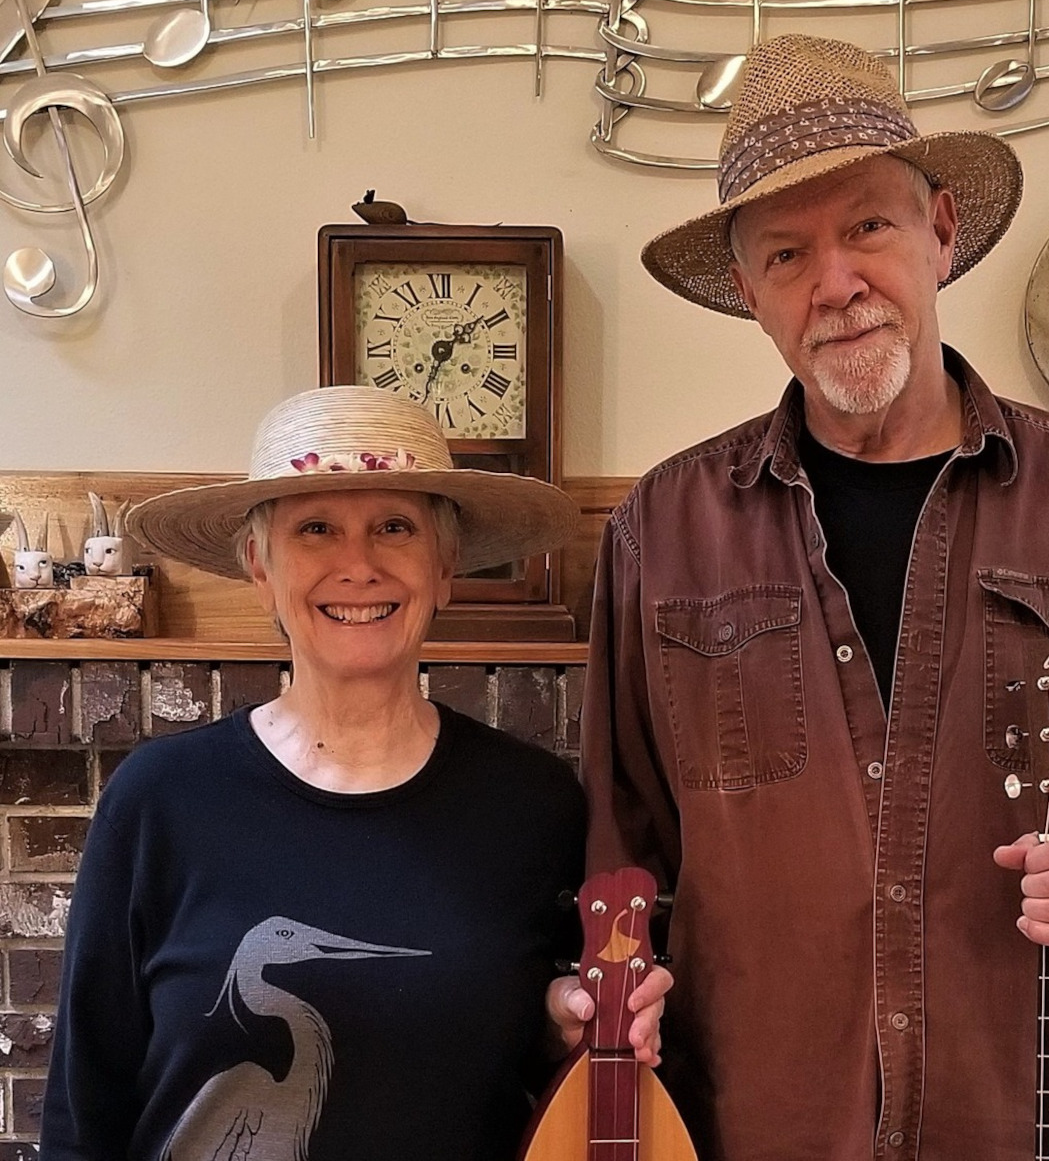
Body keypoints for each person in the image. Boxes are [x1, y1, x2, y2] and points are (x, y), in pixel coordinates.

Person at [581, 34, 1049, 1160]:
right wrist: (595, 1003)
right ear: (753, 297)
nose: (837, 284)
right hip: (760, 1129)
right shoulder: (659, 537)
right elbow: (620, 847)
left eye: (868, 226)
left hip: (1042, 1129)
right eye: (784, 254)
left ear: (942, 233)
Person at [42, 385, 667, 1161]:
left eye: (394, 528)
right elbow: (82, 1108)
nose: (359, 565)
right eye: (316, 530)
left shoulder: (534, 804)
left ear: (444, 568)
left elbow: (527, 1058)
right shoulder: (159, 801)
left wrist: (570, 1019)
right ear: (259, 569)